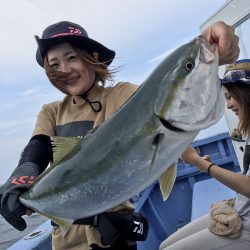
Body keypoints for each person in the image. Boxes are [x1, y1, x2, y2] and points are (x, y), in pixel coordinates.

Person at [0, 20, 239, 250]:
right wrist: (19, 180)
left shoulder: (124, 95)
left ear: (93, 58)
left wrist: (215, 43)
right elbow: (37, 149)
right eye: (53, 65)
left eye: (71, 57)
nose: (64, 69)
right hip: (66, 241)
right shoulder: (51, 112)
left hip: (115, 236)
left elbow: (165, 92)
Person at [160, 59, 250, 250]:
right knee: (164, 245)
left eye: (231, 97)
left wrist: (203, 166)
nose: (228, 105)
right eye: (226, 98)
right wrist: (211, 166)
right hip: (240, 208)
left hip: (247, 225)